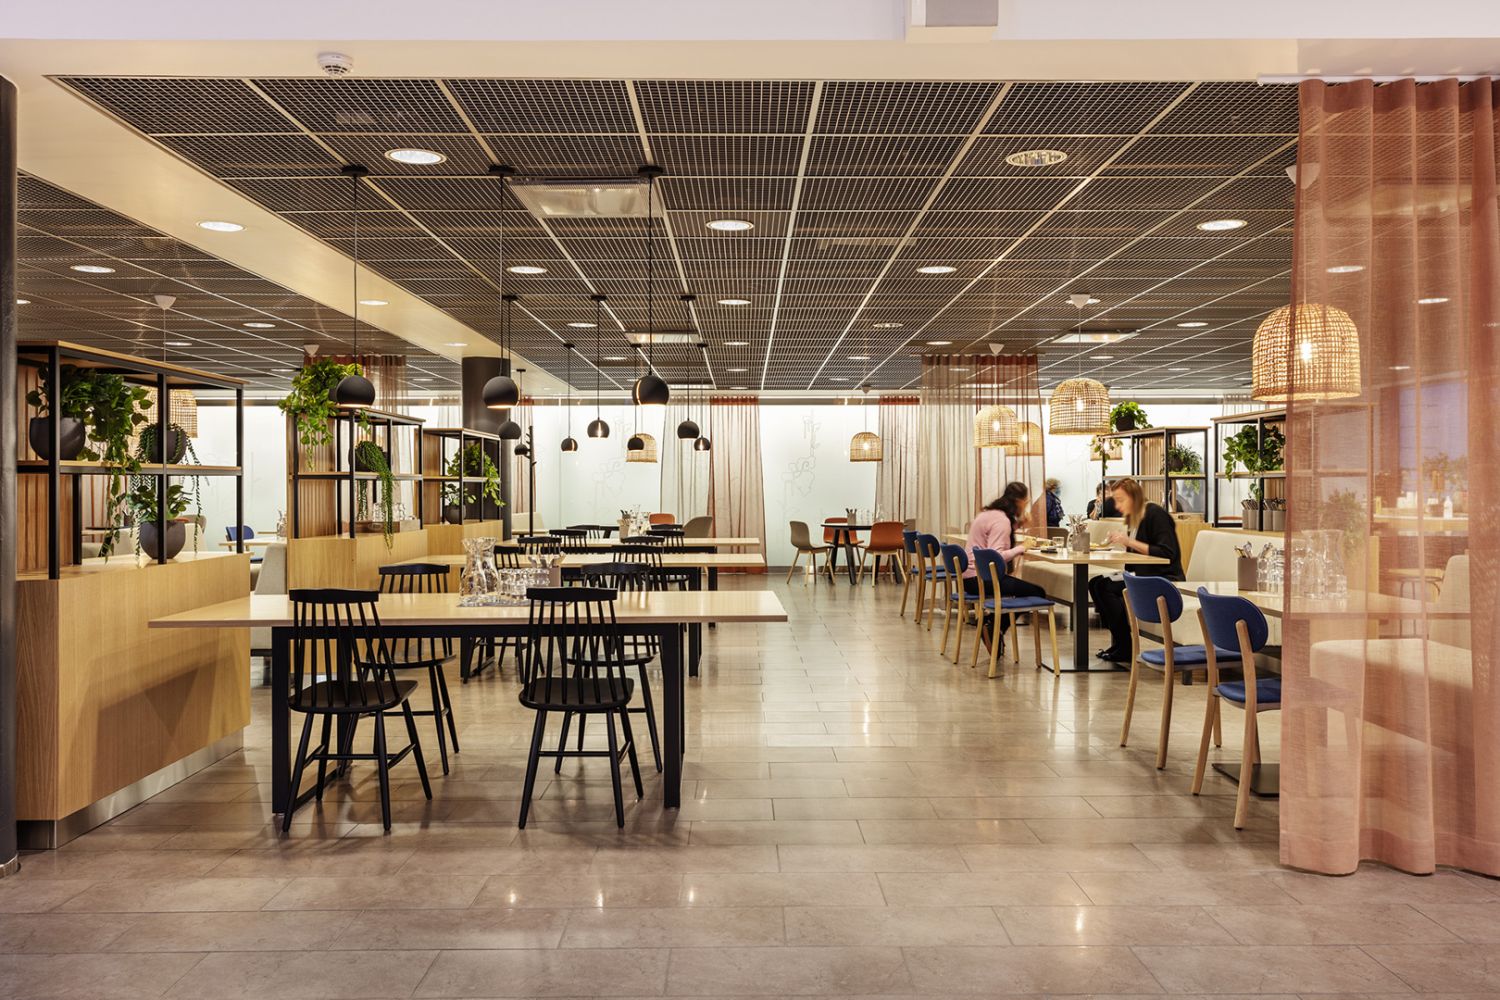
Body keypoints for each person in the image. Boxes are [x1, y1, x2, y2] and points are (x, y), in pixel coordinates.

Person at [1086, 477, 1184, 663]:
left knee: (1106, 588)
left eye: (1120, 500)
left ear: (1135, 497)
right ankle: (1119, 643)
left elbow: (1167, 553)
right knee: (1096, 583)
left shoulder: (1155, 514)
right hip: (1142, 576)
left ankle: (1125, 646)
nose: (1117, 505)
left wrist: (1129, 542)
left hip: (1163, 579)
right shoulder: (1135, 517)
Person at [963, 482, 1050, 643]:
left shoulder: (989, 514)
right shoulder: (1002, 521)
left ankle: (992, 626)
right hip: (982, 579)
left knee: (1024, 590)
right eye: (1026, 502)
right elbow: (996, 556)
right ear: (1020, 502)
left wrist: (1018, 524)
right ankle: (992, 625)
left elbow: (996, 534)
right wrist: (1022, 547)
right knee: (1037, 592)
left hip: (970, 578)